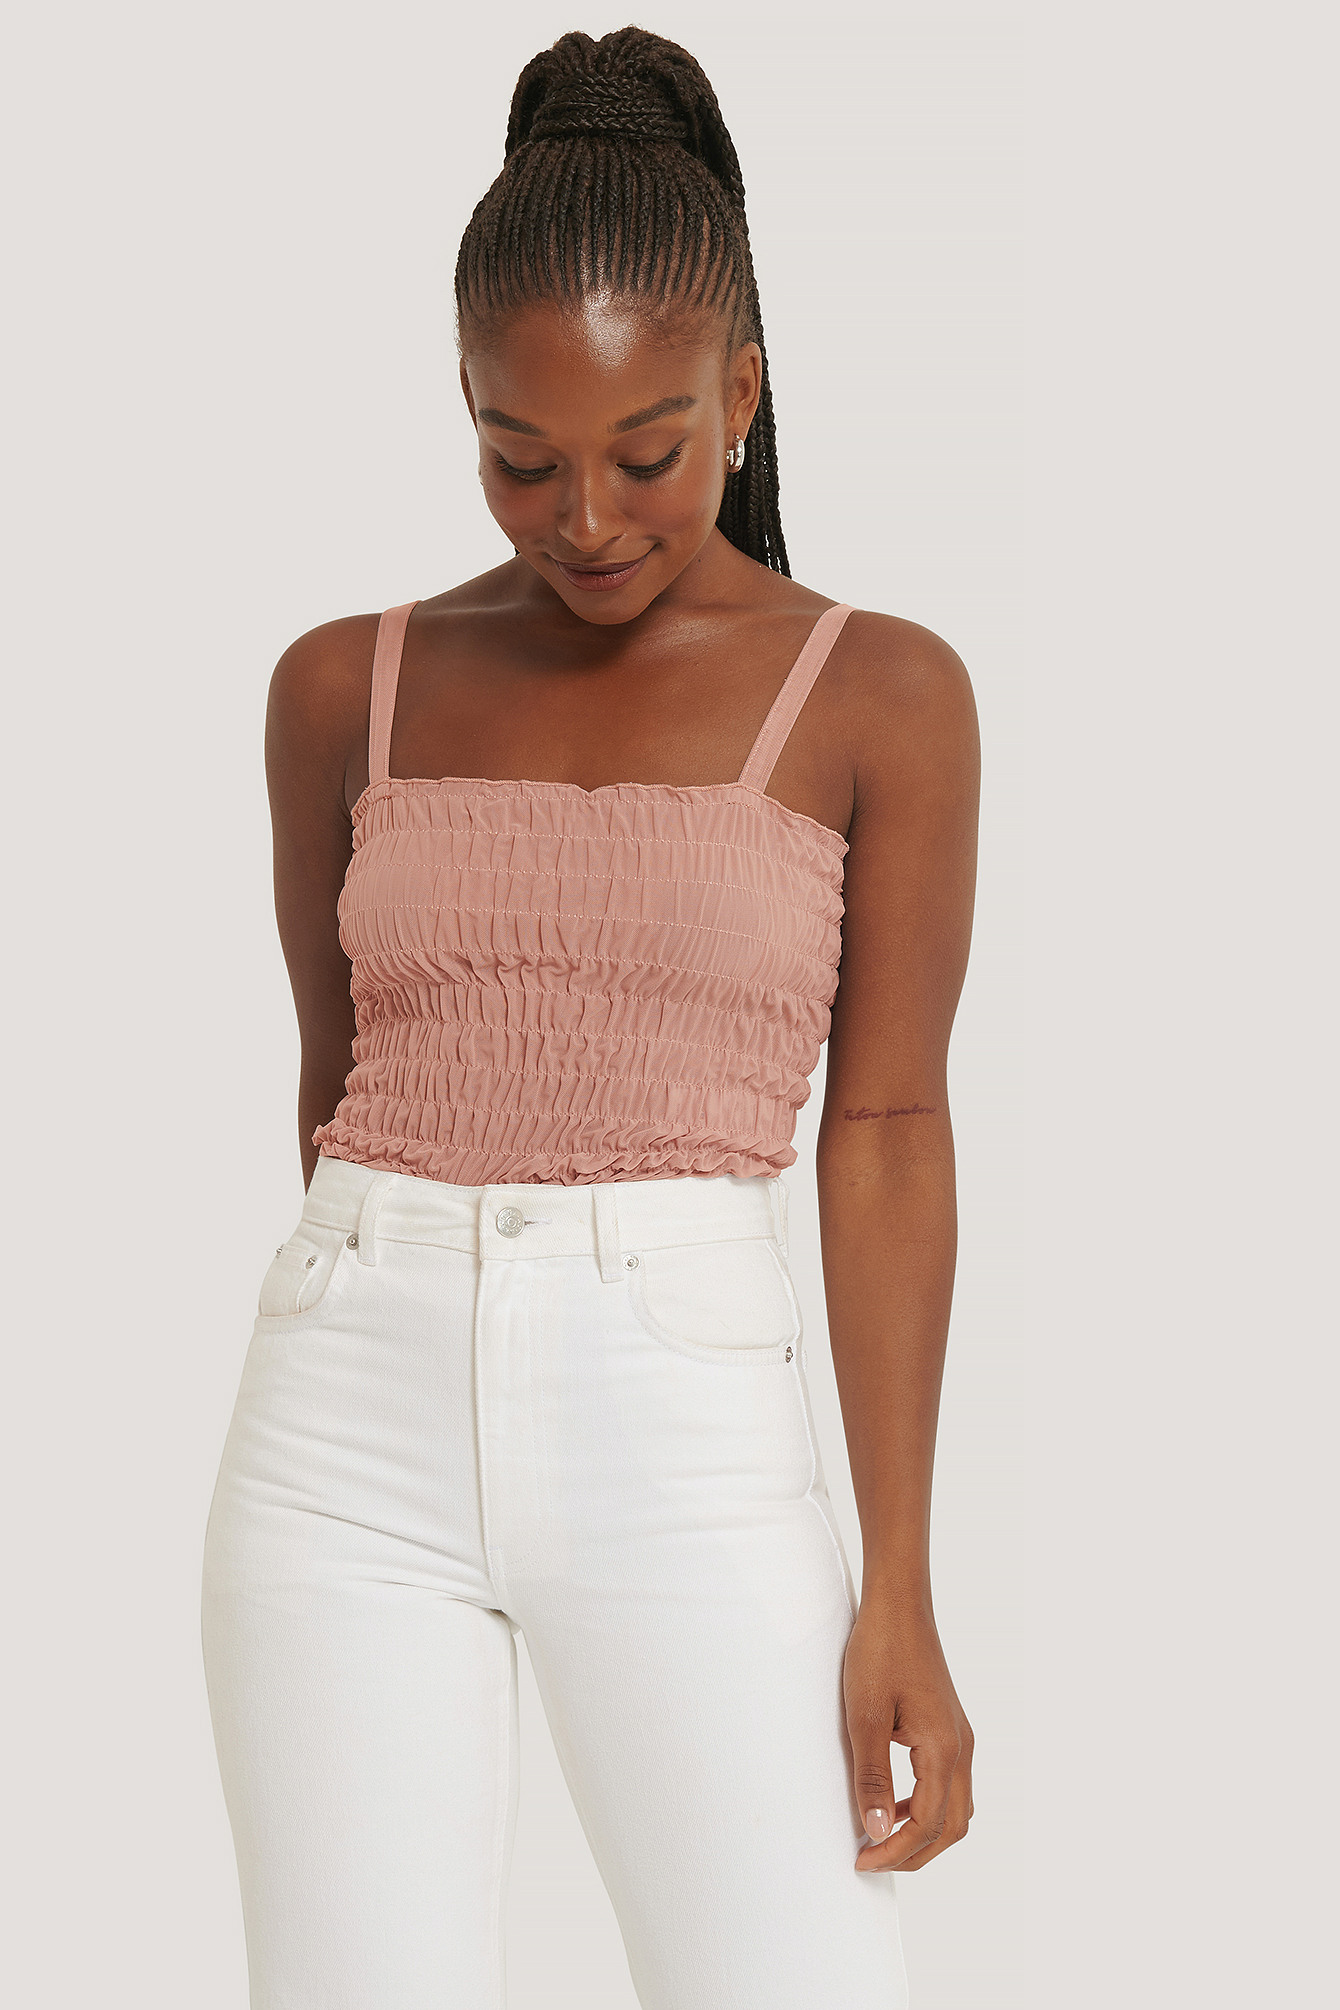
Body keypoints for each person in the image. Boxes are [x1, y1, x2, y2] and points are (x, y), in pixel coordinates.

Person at [200, 25, 979, 2009]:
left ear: (742, 391)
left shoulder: (878, 692)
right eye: (517, 456)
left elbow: (887, 1125)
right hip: (343, 1417)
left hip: (688, 1422)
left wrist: (897, 1580)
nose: (588, 519)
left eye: (648, 453)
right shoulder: (341, 686)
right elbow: (335, 1077)